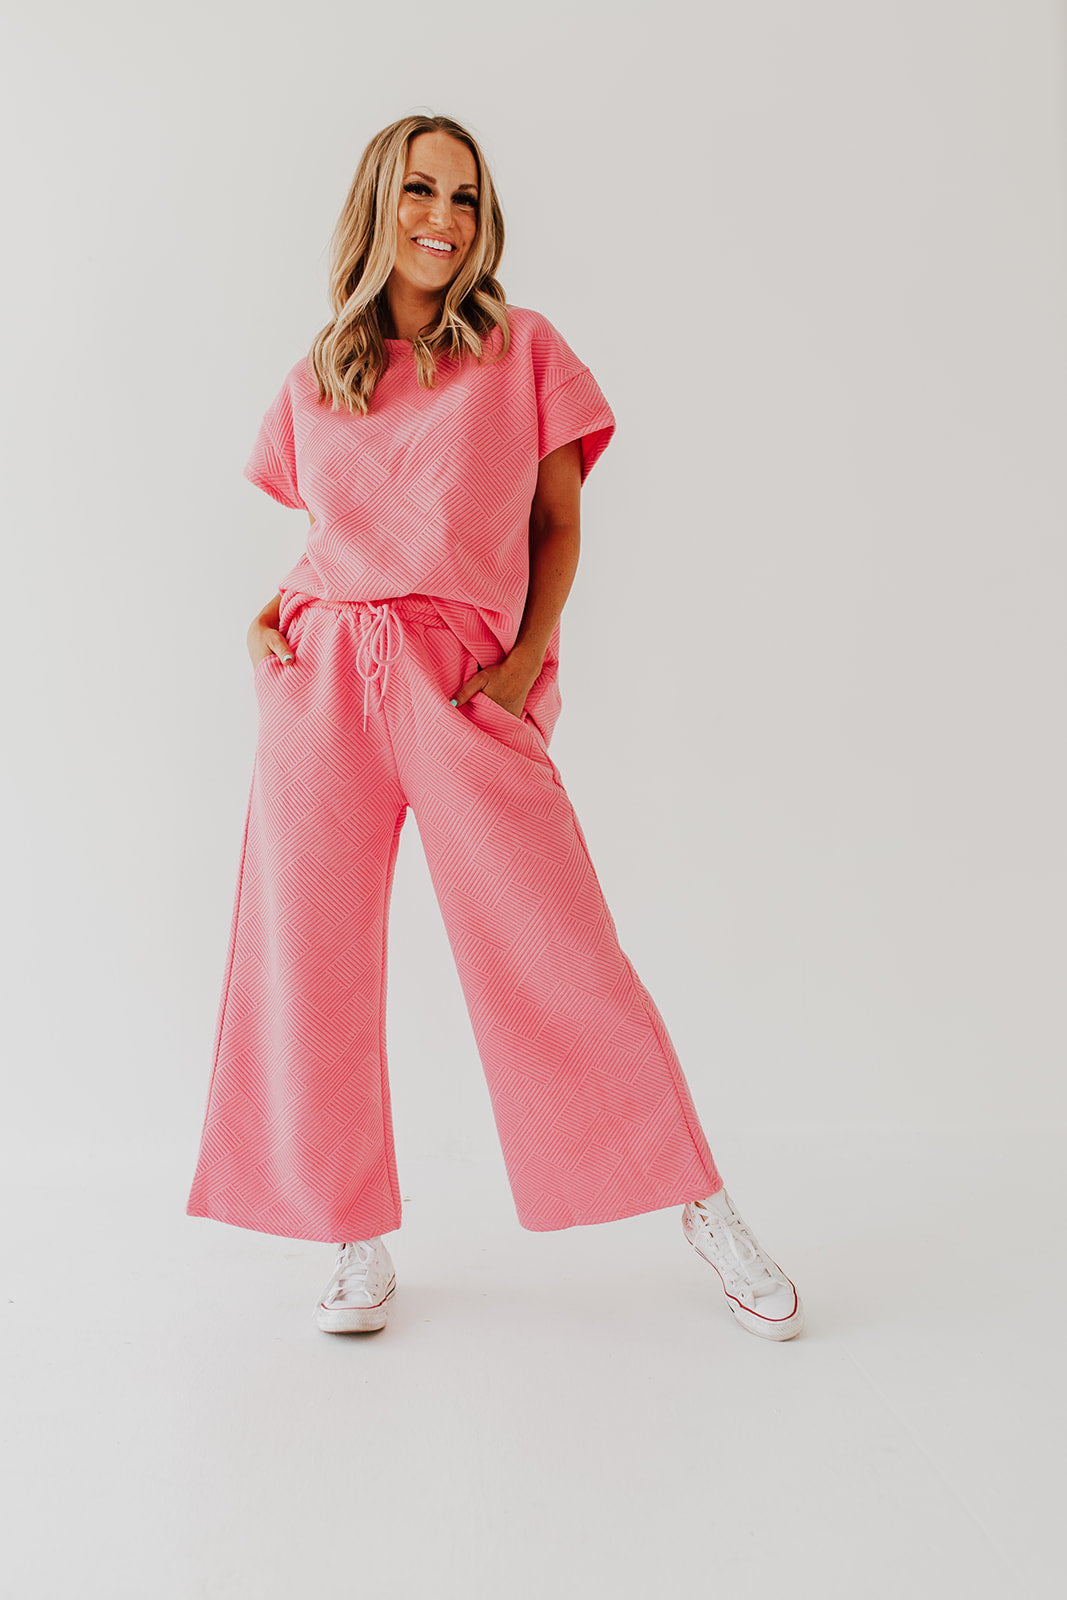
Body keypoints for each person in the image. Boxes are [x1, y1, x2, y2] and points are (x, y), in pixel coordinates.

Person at [185, 112, 804, 1343]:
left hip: (461, 683)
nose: (444, 217)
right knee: (306, 956)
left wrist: (517, 671)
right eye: (420, 190)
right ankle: (350, 1232)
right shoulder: (319, 376)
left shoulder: (521, 349)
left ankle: (701, 1203)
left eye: (465, 196)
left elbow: (556, 526)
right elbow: (340, 535)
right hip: (323, 678)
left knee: (558, 950)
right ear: (378, 203)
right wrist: (268, 619)